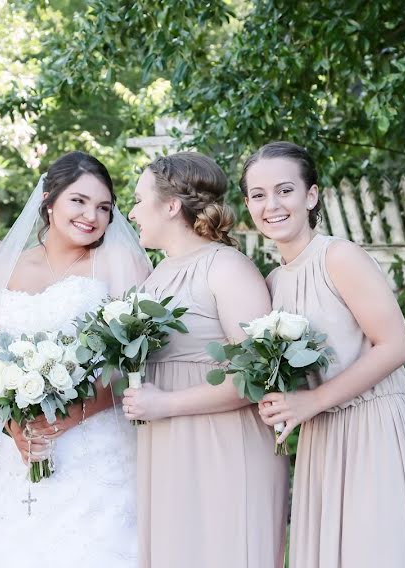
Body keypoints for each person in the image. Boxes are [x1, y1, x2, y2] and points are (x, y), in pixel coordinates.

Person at [245, 141, 405, 567]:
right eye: (258, 195)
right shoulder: (273, 281)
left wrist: (312, 400)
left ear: (311, 196)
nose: (271, 205)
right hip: (321, 439)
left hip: (373, 429)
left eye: (284, 190)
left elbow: (396, 345)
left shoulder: (339, 257)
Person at [0, 151, 151, 568]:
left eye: (104, 207)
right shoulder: (5, 269)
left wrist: (70, 417)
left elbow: (135, 365)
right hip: (25, 448)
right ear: (49, 201)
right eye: (79, 201)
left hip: (97, 443)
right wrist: (15, 427)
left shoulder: (121, 262)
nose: (91, 216)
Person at [124, 152, 289, 568]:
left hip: (223, 448)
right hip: (167, 448)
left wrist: (165, 404)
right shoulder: (157, 275)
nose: (131, 212)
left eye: (140, 199)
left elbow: (258, 373)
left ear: (171, 205)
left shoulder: (226, 268)